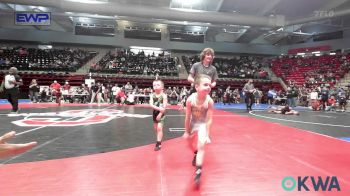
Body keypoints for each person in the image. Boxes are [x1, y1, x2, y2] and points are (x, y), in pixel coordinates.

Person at [183, 74, 214, 186]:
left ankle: (198, 171)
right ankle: (195, 153)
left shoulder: (209, 101)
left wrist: (207, 135)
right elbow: (187, 116)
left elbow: (209, 119)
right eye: (205, 84)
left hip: (202, 124)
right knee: (189, 144)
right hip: (192, 122)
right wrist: (186, 131)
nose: (208, 87)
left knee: (201, 146)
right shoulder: (190, 99)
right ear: (197, 87)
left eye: (209, 85)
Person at [149, 79, 167, 151]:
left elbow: (164, 106)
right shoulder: (152, 95)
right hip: (155, 113)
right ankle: (159, 138)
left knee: (159, 128)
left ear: (162, 87)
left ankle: (158, 143)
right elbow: (151, 104)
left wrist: (160, 113)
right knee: (156, 129)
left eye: (158, 85)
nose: (156, 86)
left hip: (161, 114)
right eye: (154, 85)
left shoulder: (164, 96)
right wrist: (159, 109)